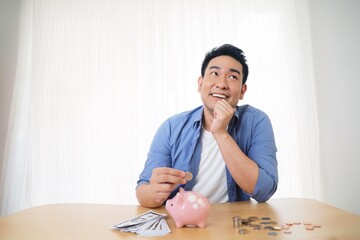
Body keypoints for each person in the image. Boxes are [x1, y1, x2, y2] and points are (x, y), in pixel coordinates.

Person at [136, 44, 278, 208]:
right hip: (182, 224)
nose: (222, 84)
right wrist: (153, 193)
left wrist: (220, 133)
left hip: (232, 224)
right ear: (200, 83)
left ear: (242, 91)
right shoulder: (171, 127)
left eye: (232, 77)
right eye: (214, 73)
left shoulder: (257, 122)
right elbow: (142, 190)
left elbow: (264, 191)